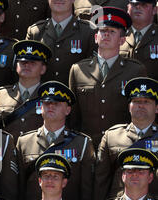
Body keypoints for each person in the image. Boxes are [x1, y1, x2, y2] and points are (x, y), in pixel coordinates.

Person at [69, 6, 147, 148]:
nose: (106, 35)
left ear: (122, 40)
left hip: (122, 145)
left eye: (112, 32)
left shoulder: (135, 70)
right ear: (95, 37)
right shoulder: (78, 70)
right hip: (87, 145)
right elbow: (73, 115)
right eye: (103, 31)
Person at [16, 81, 96, 200]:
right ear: (40, 107)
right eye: (47, 103)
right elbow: (18, 187)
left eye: (57, 104)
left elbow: (87, 190)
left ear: (68, 110)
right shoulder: (24, 142)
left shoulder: (82, 143)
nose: (51, 107)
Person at [94, 77, 158, 200]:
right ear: (129, 107)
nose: (141, 105)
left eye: (146, 101)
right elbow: (101, 181)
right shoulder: (112, 136)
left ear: (156, 108)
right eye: (136, 101)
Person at [26, 0, 97, 85]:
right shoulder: (35, 32)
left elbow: (94, 70)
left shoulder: (88, 31)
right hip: (43, 95)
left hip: (74, 95)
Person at [0, 40, 51, 142]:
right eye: (23, 62)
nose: (27, 65)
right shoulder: (0, 95)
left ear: (43, 69)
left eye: (33, 63)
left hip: (35, 154)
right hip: (5, 154)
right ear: (16, 66)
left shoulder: (51, 97)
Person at [120, 0, 158, 80]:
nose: (138, 7)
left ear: (155, 10)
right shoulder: (117, 35)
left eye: (144, 4)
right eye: (134, 4)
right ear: (128, 8)